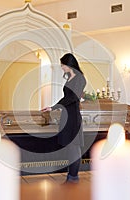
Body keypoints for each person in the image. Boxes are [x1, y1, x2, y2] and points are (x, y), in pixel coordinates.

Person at [41, 53, 86, 183]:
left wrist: (55, 107)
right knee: (70, 147)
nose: (62, 67)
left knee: (74, 147)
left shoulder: (80, 79)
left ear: (69, 64)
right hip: (67, 115)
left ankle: (73, 177)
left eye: (63, 65)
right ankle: (71, 176)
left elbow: (72, 98)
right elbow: (66, 98)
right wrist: (53, 107)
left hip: (73, 117)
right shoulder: (70, 78)